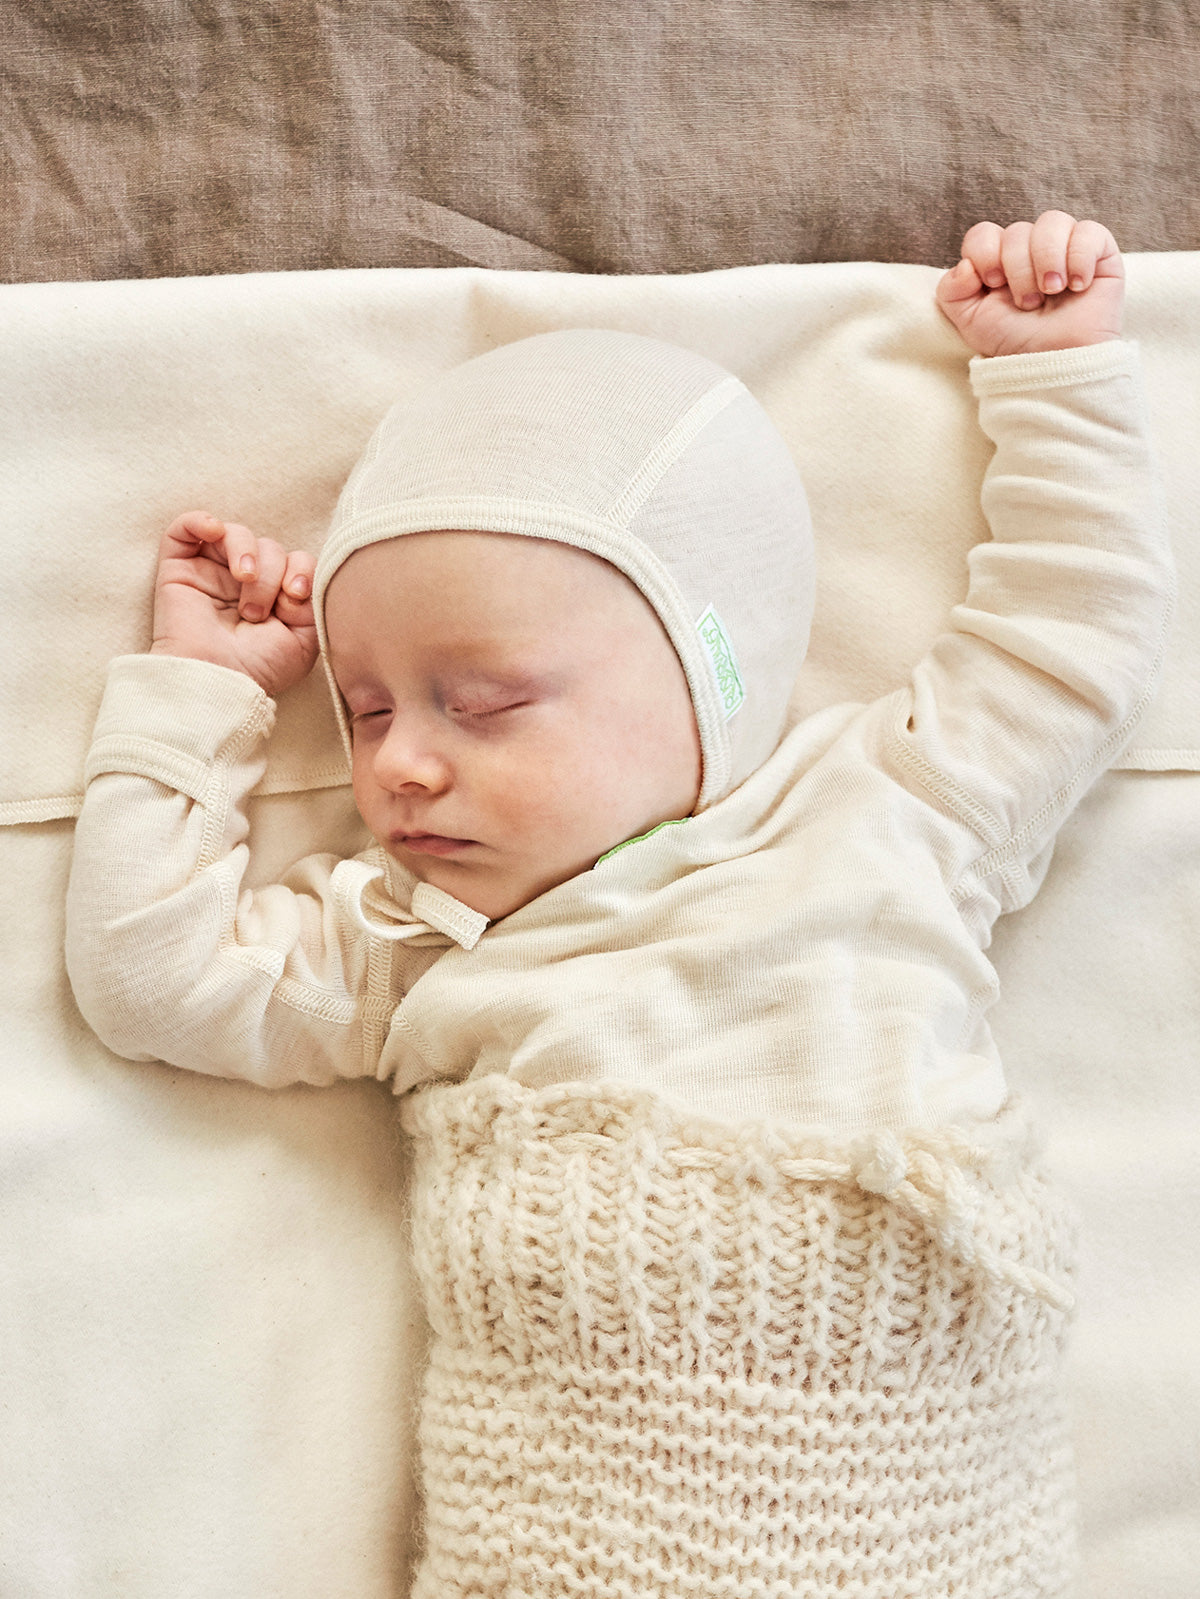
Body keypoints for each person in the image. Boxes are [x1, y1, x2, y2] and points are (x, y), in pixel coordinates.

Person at [65, 213, 1173, 1596]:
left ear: (707, 670)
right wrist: (203, 695)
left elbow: (1077, 643)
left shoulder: (892, 810)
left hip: (915, 1491)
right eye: (361, 710)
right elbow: (148, 975)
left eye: (482, 704)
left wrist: (1055, 376)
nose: (401, 761)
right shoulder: (415, 937)